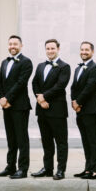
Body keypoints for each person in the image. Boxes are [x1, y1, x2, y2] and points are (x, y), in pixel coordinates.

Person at [31, 38, 71, 180]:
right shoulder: (41, 66)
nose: (50, 51)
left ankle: (61, 170)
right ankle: (47, 168)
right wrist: (39, 98)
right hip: (42, 109)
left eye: (52, 48)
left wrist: (44, 97)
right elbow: (34, 82)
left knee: (61, 142)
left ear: (58, 49)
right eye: (48, 48)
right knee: (46, 141)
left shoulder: (64, 66)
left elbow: (60, 85)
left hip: (57, 109)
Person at [0, 34, 33, 178]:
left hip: (20, 106)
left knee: (21, 138)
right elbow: (0, 82)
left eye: (15, 44)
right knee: (11, 138)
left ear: (21, 45)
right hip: (7, 106)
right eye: (10, 44)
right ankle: (10, 166)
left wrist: (8, 98)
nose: (12, 46)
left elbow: (21, 83)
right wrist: (1, 98)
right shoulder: (4, 62)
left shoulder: (26, 62)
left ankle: (22, 169)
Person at [70, 40, 96, 179]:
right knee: (85, 140)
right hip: (80, 109)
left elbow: (90, 88)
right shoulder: (78, 68)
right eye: (82, 49)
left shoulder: (95, 68)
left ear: (92, 52)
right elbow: (73, 87)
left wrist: (78, 102)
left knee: (93, 140)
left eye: (86, 50)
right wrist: (73, 102)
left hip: (91, 109)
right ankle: (88, 169)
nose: (84, 52)